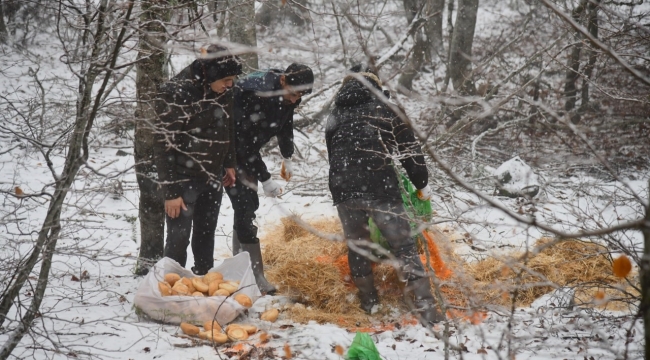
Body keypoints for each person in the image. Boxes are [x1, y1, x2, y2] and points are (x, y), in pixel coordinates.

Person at [325, 68, 443, 326]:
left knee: (358, 245)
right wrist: (421, 184)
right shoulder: (387, 108)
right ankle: (427, 310)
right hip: (379, 185)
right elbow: (410, 151)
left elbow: (333, 153)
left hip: (343, 186)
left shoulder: (335, 114)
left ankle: (370, 303)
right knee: (404, 246)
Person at [152, 45, 242, 275]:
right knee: (178, 238)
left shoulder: (225, 90)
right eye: (226, 79)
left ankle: (203, 277)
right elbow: (163, 145)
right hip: (182, 176)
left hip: (213, 173)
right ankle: (171, 283)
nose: (230, 85)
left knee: (206, 232)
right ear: (210, 74)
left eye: (232, 79)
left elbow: (227, 126)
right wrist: (171, 192)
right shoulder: (176, 92)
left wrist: (229, 162)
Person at [227, 63, 314, 294]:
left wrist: (288, 156)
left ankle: (241, 265)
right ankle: (254, 276)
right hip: (227, 149)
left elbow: (286, 124)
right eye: (294, 95)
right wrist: (265, 178)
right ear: (283, 80)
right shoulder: (254, 93)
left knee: (247, 206)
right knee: (244, 205)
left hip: (247, 151)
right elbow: (243, 143)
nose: (295, 101)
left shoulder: (287, 96)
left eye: (300, 97)